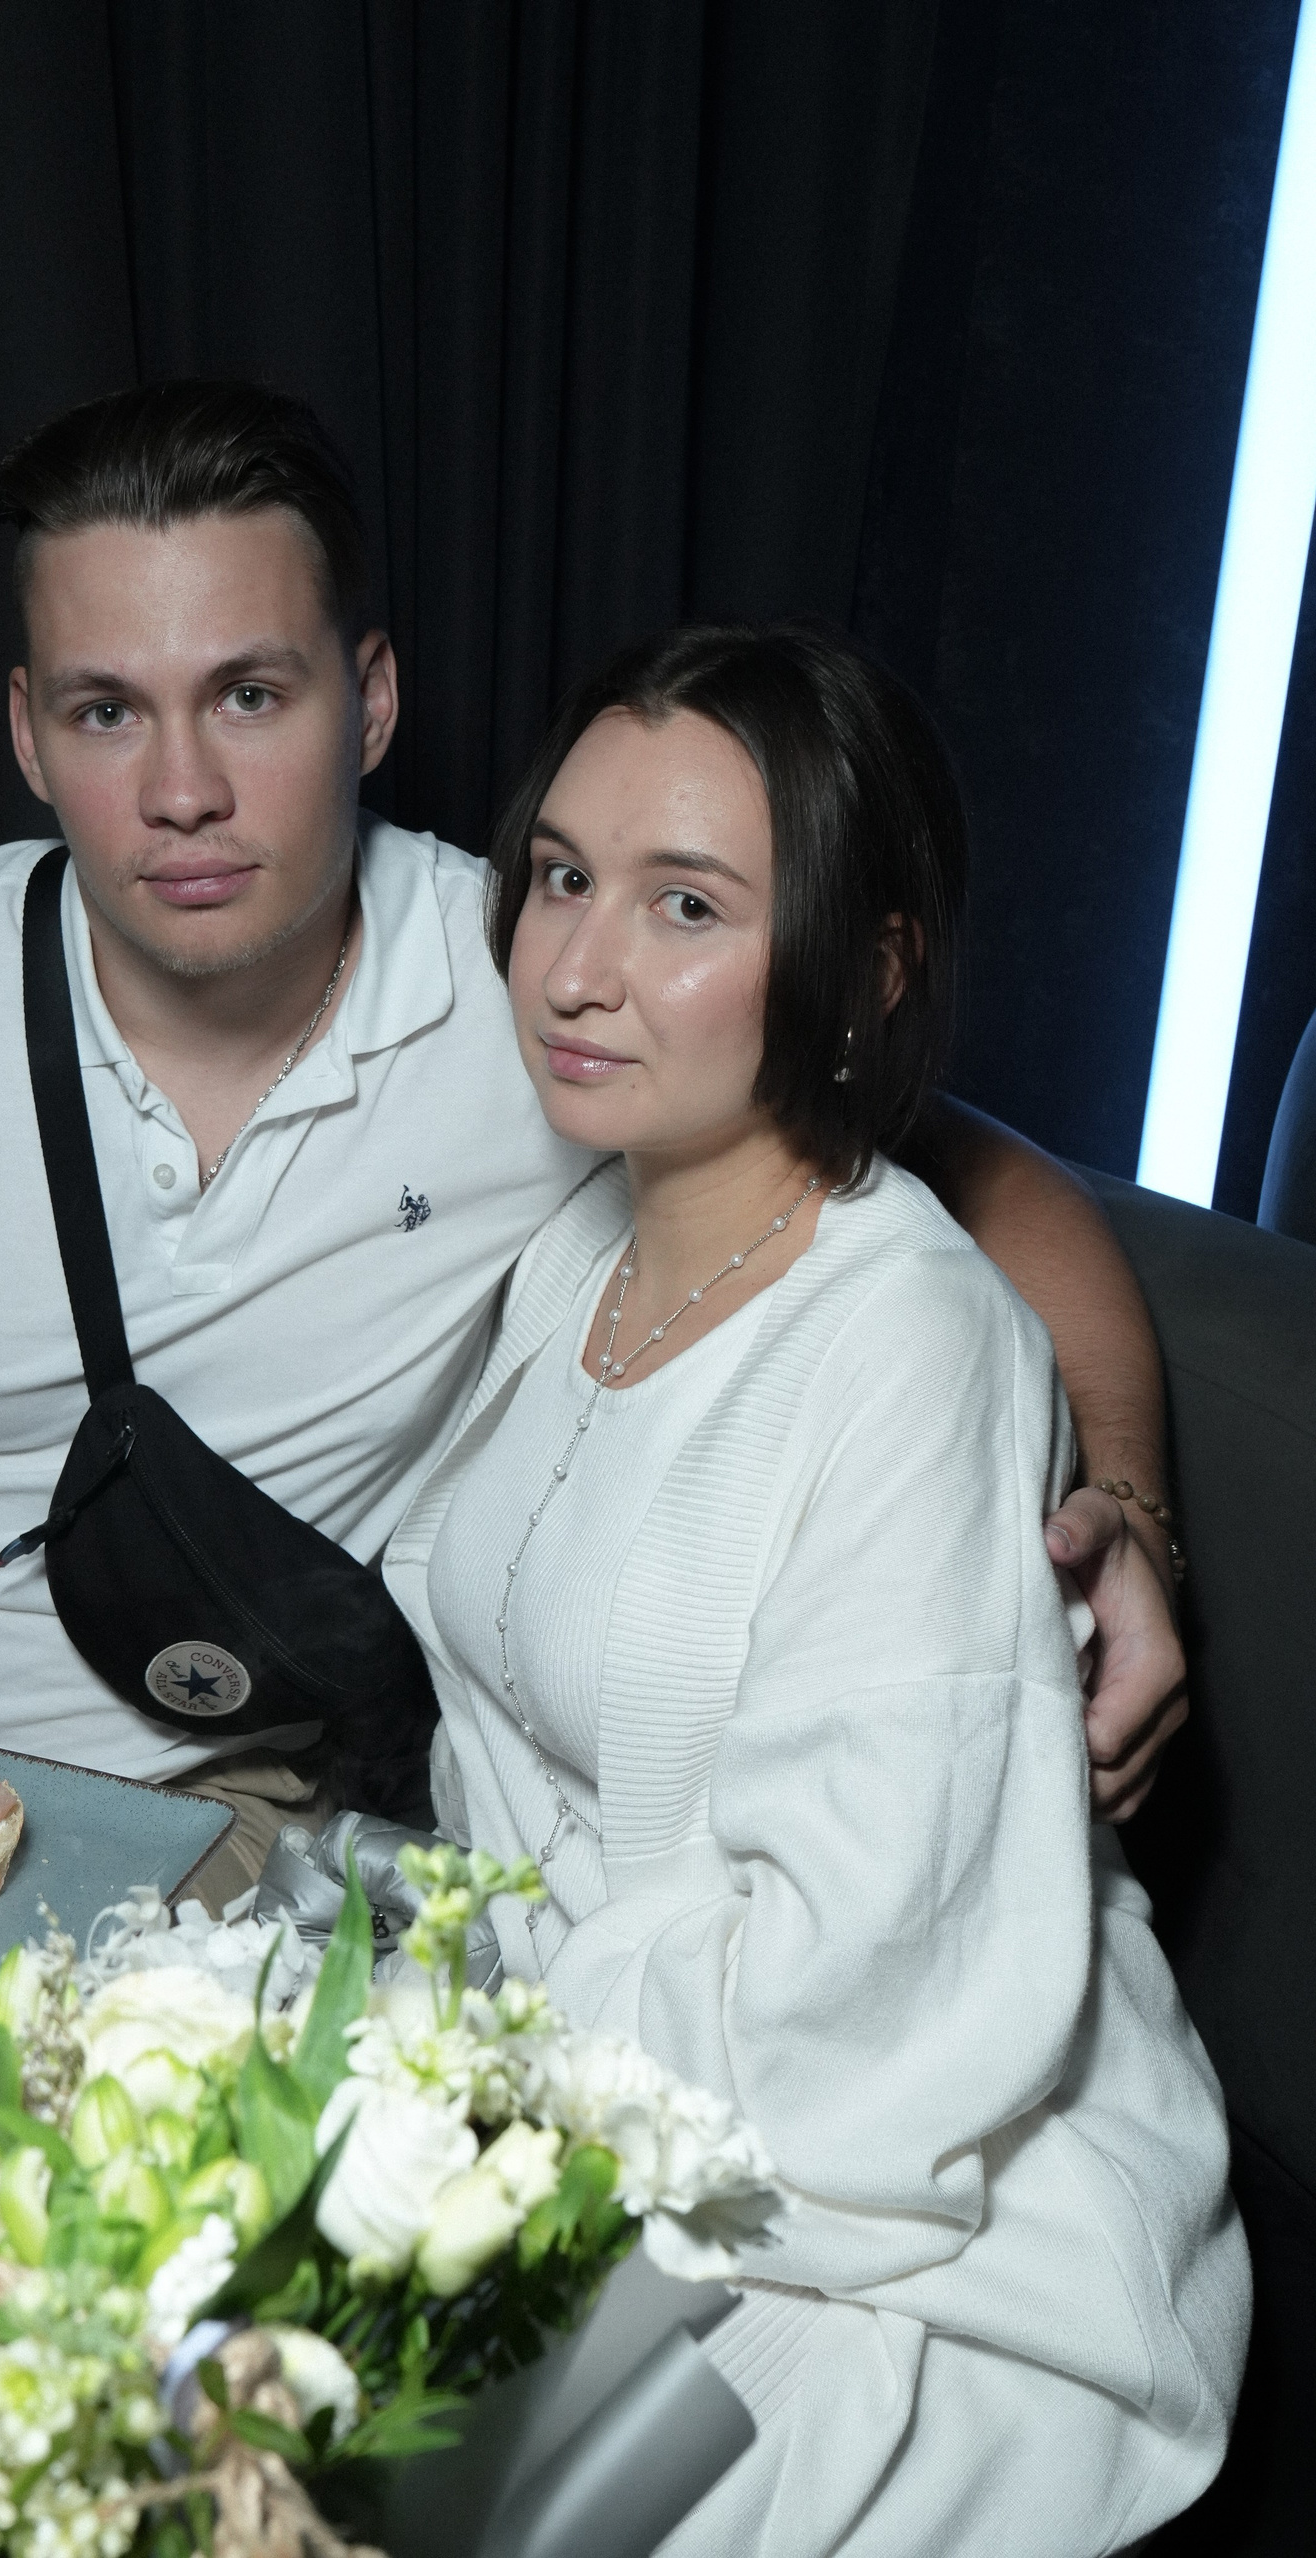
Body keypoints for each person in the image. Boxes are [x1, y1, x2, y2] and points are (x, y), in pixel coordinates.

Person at [0, 380, 1184, 1907]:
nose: (182, 790)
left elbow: (980, 1183)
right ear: (31, 734)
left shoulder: (537, 986)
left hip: (205, 1821)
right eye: (108, 709)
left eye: (250, 695)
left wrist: (1130, 1522)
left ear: (374, 701)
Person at [381, 624, 1247, 2553]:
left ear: (868, 968)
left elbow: (860, 1997)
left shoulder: (911, 1344)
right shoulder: (587, 1249)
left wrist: (484, 2053)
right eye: (561, 877)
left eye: (686, 904)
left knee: (354, 2480)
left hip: (900, 2228)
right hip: (607, 2092)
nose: (578, 966)